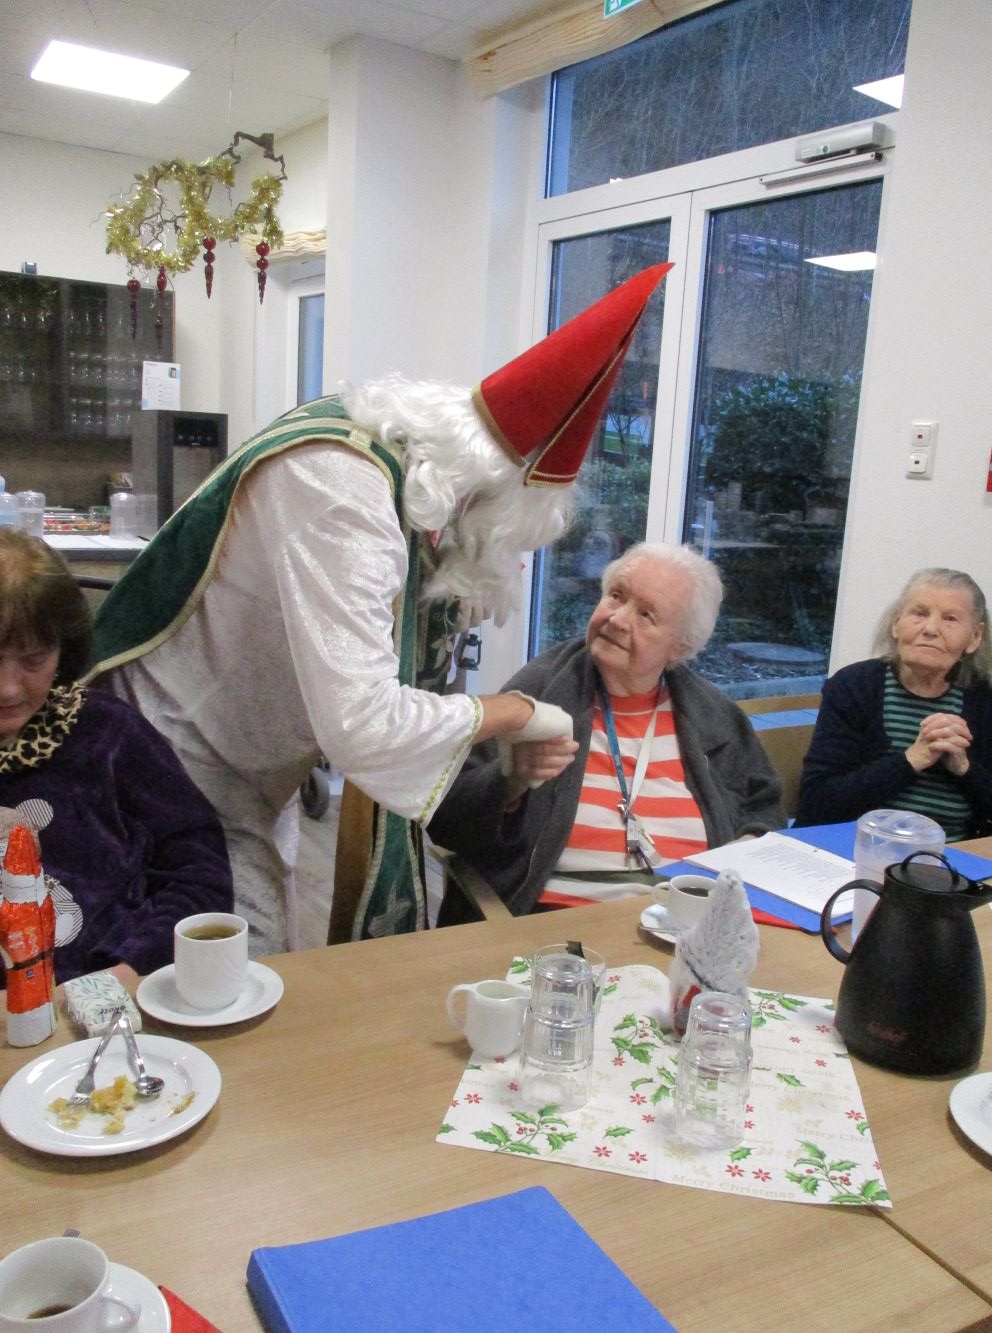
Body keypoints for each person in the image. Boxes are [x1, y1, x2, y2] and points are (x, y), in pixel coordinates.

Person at [87, 264, 673, 953]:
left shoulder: (403, 478)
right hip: (160, 761)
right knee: (219, 974)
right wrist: (512, 712)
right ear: (480, 494)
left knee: (259, 969)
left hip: (246, 768)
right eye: (504, 532)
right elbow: (362, 725)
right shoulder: (342, 488)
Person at [429, 541, 785, 922]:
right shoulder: (539, 692)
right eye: (616, 596)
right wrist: (509, 780)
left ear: (680, 649)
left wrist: (745, 850)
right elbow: (445, 815)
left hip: (684, 924)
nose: (618, 619)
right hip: (555, 924)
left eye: (646, 615)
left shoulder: (714, 717)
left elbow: (764, 813)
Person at [0, 529, 233, 986]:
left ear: (63, 650)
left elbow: (198, 869)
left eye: (33, 660)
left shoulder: (108, 732)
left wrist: (133, 967)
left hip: (118, 996)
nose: (7, 688)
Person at [795, 568, 992, 839]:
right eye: (919, 613)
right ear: (897, 623)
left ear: (975, 637)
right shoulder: (854, 686)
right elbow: (817, 803)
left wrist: (965, 769)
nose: (930, 629)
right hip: (853, 849)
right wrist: (912, 760)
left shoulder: (984, 699)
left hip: (954, 857)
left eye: (950, 619)